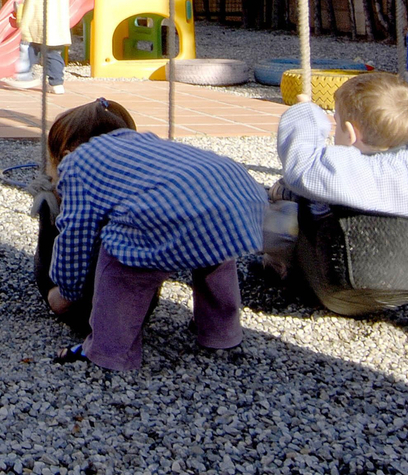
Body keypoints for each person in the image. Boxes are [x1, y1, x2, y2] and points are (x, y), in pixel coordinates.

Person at [44, 99, 265, 370]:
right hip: (239, 194)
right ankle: (221, 333)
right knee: (214, 251)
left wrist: (66, 292)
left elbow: (75, 239)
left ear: (65, 154)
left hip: (180, 209)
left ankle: (109, 351)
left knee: (122, 267)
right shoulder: (144, 146)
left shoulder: (77, 164)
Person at [274, 70, 408, 218]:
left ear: (351, 133)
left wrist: (305, 113)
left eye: (336, 123)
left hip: (355, 260)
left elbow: (302, 166)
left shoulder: (352, 171)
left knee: (288, 208)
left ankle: (277, 265)